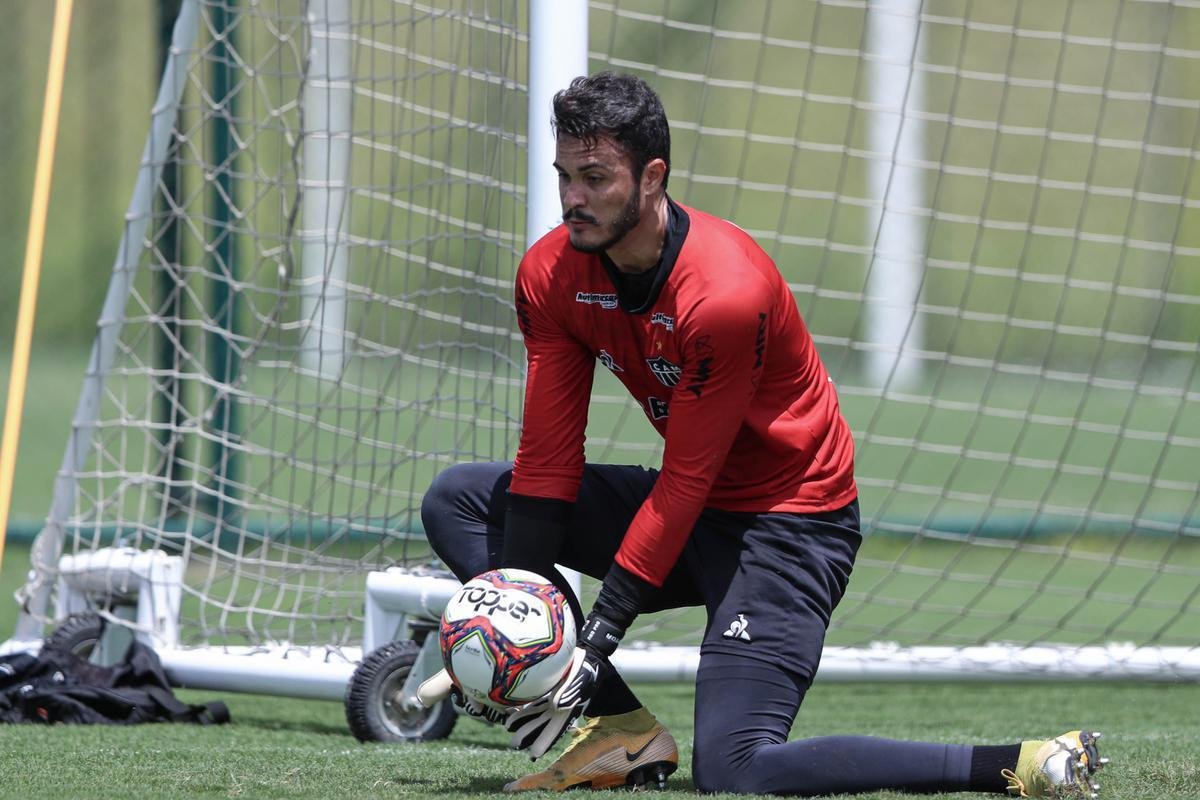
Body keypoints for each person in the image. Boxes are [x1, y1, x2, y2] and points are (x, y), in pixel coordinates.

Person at [416, 72, 1107, 797]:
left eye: (595, 178)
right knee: (461, 501)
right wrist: (527, 639)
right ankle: (620, 729)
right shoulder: (552, 272)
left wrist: (595, 637)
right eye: (565, 176)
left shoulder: (724, 292)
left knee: (734, 770)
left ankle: (1023, 762)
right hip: (696, 513)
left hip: (791, 528)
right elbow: (549, 459)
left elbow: (686, 478)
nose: (572, 199)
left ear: (653, 178)